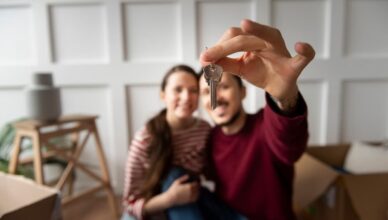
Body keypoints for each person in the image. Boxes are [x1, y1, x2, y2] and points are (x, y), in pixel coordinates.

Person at [199, 19, 315, 220]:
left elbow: (289, 145)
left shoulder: (265, 124)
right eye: (206, 91)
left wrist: (284, 97)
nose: (215, 96)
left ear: (242, 92)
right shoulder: (208, 138)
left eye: (223, 86)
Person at [122, 64, 211, 220]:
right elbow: (129, 204)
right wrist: (170, 198)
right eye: (178, 90)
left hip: (187, 204)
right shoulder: (145, 139)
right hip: (152, 209)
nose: (186, 97)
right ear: (163, 95)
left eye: (193, 90)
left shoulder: (205, 130)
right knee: (175, 174)